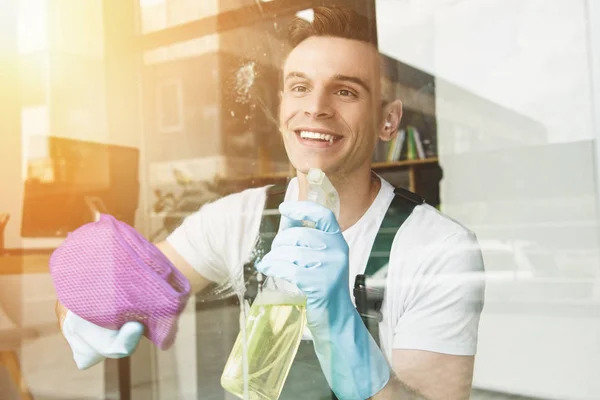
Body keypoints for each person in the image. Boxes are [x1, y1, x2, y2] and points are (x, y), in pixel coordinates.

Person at [55, 6, 485, 400]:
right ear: (281, 106)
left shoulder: (439, 249)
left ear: (387, 120)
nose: (315, 108)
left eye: (346, 92)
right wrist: (81, 310)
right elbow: (126, 287)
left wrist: (339, 324)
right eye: (299, 87)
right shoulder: (241, 218)